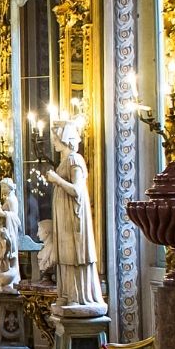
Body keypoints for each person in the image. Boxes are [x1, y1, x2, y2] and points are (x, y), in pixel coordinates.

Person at [46, 122, 107, 315]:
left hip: (74, 219)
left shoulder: (75, 160)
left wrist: (56, 180)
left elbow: (78, 191)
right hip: (64, 219)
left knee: (73, 255)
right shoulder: (64, 162)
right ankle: (66, 293)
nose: (54, 143)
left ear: (65, 139)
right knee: (64, 255)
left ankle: (77, 295)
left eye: (56, 139)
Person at [0, 176, 21, 293]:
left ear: (9, 187)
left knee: (7, 255)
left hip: (9, 232)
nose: (2, 189)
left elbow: (15, 216)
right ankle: (5, 279)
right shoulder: (8, 199)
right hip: (4, 232)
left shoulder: (11, 199)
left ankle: (10, 281)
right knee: (3, 257)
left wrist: (2, 213)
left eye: (3, 186)